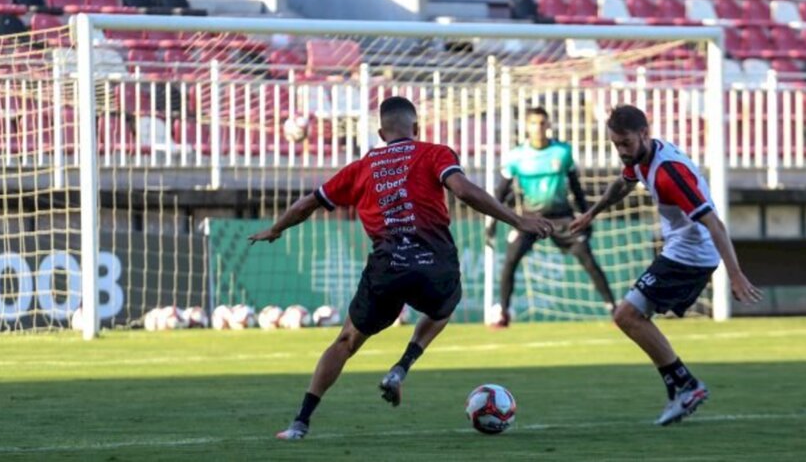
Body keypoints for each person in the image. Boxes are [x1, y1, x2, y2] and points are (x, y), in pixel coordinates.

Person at [249, 96, 553, 440]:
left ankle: (299, 423)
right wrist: (517, 218)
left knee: (346, 341)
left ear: (381, 132)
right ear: (417, 128)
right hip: (433, 264)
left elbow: (306, 204)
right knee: (444, 305)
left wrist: (276, 229)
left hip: (387, 268)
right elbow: (464, 191)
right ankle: (402, 367)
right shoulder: (435, 152)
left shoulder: (361, 168)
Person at [569, 105, 762, 426]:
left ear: (645, 134)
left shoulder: (669, 173)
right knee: (629, 316)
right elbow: (624, 183)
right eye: (616, 144)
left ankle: (686, 385)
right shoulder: (641, 158)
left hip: (693, 252)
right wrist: (592, 212)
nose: (621, 151)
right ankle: (683, 385)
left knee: (627, 315)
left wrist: (736, 274)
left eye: (626, 143)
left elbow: (714, 223)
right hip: (679, 246)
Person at [486, 107, 616, 327]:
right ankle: (503, 312)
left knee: (588, 260)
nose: (539, 127)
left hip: (562, 218)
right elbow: (500, 192)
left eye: (543, 123)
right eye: (534, 123)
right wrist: (492, 222)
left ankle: (614, 308)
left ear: (549, 125)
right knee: (509, 261)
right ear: (526, 126)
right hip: (530, 219)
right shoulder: (516, 156)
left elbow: (576, 186)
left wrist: (586, 216)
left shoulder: (562, 151)